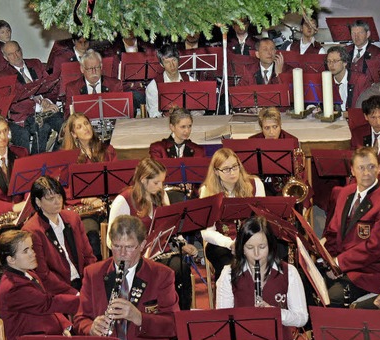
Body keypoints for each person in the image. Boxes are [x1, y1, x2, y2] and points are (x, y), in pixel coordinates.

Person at [108, 157, 198, 310]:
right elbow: (110, 241)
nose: (160, 186)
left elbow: (170, 226)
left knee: (181, 267)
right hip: (136, 258)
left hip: (159, 253)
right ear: (143, 180)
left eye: (162, 182)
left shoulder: (162, 196)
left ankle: (180, 318)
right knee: (170, 270)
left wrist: (183, 244)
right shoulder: (123, 200)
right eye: (156, 182)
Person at [323, 147, 380, 307]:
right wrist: (323, 254)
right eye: (361, 167)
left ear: (379, 169)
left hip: (368, 272)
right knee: (304, 280)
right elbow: (333, 231)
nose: (366, 172)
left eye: (372, 166)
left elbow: (375, 248)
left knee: (332, 298)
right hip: (342, 263)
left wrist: (338, 263)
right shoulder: (345, 193)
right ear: (352, 170)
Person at [0, 229, 79, 340]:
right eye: (26, 251)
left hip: (40, 339)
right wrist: (85, 301)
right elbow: (48, 303)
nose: (33, 253)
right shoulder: (13, 288)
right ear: (11, 259)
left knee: (84, 332)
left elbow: (47, 307)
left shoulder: (27, 274)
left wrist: (65, 326)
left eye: (31, 248)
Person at [22, 176, 96, 295]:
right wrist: (75, 294)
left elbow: (88, 255)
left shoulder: (73, 218)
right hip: (58, 290)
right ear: (38, 201)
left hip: (83, 281)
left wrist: (91, 283)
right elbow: (43, 275)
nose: (57, 202)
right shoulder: (32, 230)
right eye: (51, 198)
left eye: (59, 196)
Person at [200, 148, 265, 280]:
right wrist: (229, 244)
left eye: (235, 167)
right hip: (222, 244)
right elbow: (207, 232)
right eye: (226, 169)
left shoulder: (255, 184)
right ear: (216, 172)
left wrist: (247, 242)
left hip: (251, 240)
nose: (233, 172)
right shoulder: (207, 191)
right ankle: (227, 298)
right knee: (229, 267)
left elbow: (262, 219)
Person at [61, 112, 116, 258]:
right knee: (91, 237)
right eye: (79, 127)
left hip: (107, 205)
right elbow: (64, 189)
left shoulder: (107, 151)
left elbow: (117, 181)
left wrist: (103, 200)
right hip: (86, 209)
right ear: (73, 134)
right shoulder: (67, 158)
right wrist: (88, 199)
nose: (86, 128)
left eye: (86, 123)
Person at [0, 40, 63, 153]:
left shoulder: (36, 63)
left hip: (47, 110)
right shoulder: (3, 75)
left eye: (17, 51)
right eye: (10, 54)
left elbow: (50, 84)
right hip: (26, 115)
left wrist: (47, 100)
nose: (15, 55)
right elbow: (16, 103)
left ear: (21, 50)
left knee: (67, 124)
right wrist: (40, 106)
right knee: (42, 128)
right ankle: (36, 163)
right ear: (5, 57)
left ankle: (56, 157)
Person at [63, 49, 124, 117]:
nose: (94, 71)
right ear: (82, 69)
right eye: (90, 68)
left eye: (97, 67)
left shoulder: (115, 85)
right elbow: (68, 116)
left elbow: (121, 113)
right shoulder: (72, 88)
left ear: (101, 67)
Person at [145, 44, 193, 118]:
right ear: (161, 64)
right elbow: (154, 114)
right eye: (167, 62)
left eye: (174, 60)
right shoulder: (153, 86)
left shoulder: (190, 81)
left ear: (178, 60)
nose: (172, 65)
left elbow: (198, 110)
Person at [325, 45, 371, 112]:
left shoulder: (360, 80)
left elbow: (366, 108)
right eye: (328, 61)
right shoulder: (326, 81)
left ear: (345, 63)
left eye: (335, 61)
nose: (331, 65)